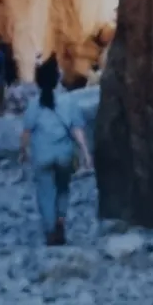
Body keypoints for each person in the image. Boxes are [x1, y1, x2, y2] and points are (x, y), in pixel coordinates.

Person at [20, 54, 92, 246]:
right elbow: (77, 130)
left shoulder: (34, 105)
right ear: (57, 79)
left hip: (42, 155)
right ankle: (61, 220)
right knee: (62, 188)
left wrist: (24, 151)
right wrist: (85, 153)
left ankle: (51, 230)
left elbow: (26, 132)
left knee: (45, 192)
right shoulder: (69, 102)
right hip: (64, 155)